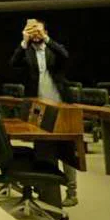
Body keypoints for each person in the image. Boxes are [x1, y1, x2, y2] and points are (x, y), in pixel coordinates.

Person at [10, 18, 78, 207]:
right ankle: (45, 189)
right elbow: (13, 64)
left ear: (45, 31)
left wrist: (47, 39)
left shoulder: (54, 48)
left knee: (67, 150)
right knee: (42, 148)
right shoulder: (26, 51)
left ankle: (72, 192)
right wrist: (24, 42)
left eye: (37, 30)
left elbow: (65, 56)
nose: (35, 34)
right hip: (38, 108)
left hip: (61, 105)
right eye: (31, 30)